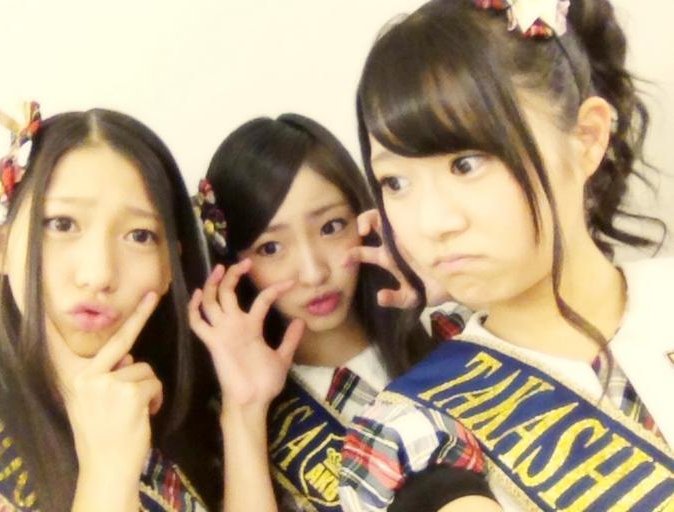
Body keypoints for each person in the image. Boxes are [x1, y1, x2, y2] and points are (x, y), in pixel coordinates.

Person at [339, 0, 674, 510]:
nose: (432, 222)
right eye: (395, 182)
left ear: (587, 139)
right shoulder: (417, 429)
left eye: (466, 164)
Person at [188, 114, 490, 511]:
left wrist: (458, 284)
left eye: (330, 227)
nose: (314, 272)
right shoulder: (236, 421)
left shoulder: (455, 328)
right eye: (271, 248)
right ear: (233, 266)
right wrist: (246, 411)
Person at [0, 104, 218, 511]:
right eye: (62, 224)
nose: (99, 274)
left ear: (170, 266)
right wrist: (107, 473)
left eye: (139, 235)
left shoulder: (190, 411)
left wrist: (245, 412)